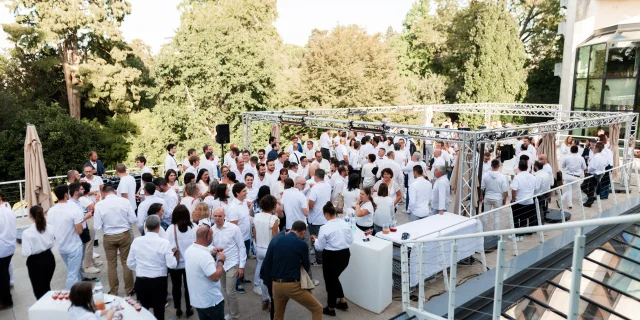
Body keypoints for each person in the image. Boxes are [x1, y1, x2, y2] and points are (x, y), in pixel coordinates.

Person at [263, 220, 323, 320]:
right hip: (292, 285)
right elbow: (306, 266)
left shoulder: (277, 239)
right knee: (317, 308)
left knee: (278, 314)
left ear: (291, 229)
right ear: (303, 232)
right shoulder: (302, 244)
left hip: (276, 284)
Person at [127, 215, 177, 320]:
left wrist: (141, 268)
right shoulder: (164, 243)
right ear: (159, 227)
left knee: (143, 310)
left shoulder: (137, 241)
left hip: (141, 280)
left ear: (145, 226)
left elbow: (130, 263)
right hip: (158, 282)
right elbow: (172, 264)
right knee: (159, 310)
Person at [93, 185, 136, 296]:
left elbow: (97, 226)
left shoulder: (99, 205)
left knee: (111, 265)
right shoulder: (124, 201)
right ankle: (129, 289)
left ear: (103, 193)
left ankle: (114, 291)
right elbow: (133, 219)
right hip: (124, 234)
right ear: (115, 191)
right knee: (126, 262)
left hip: (109, 236)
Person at [312, 202, 353, 316]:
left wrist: (315, 240)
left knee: (330, 281)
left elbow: (319, 247)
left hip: (331, 257)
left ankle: (330, 308)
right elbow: (350, 240)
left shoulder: (324, 228)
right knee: (334, 278)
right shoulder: (345, 224)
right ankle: (342, 300)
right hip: (345, 255)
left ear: (326, 214)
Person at [48, 184, 92, 289]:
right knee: (72, 275)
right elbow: (79, 231)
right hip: (74, 246)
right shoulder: (73, 209)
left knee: (73, 271)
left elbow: (51, 229)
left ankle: (79, 291)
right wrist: (83, 219)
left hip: (61, 246)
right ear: (66, 194)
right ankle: (72, 296)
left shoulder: (51, 211)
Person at [184, 225, 226, 320]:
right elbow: (215, 277)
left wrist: (212, 253)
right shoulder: (204, 256)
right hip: (211, 302)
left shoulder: (189, 250)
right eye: (212, 235)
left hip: (198, 301)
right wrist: (221, 261)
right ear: (208, 237)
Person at [211, 207, 246, 320]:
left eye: (219, 216)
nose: (217, 218)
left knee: (230, 291)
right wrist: (213, 250)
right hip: (220, 264)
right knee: (225, 290)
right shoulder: (212, 230)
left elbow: (241, 247)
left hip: (232, 262)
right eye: (215, 216)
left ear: (224, 216)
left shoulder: (234, 228)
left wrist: (241, 266)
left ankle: (235, 315)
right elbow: (210, 246)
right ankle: (231, 312)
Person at [165, 205, 196, 318]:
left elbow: (167, 246)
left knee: (176, 286)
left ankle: (178, 308)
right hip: (190, 263)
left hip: (176, 264)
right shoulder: (193, 228)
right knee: (189, 287)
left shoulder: (170, 229)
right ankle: (189, 307)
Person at [21, 205, 55, 300]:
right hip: (49, 258)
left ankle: (44, 310)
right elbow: (52, 244)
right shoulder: (50, 228)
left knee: (39, 291)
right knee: (46, 286)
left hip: (35, 262)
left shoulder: (27, 233)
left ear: (30, 216)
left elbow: (26, 252)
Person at [253, 195, 280, 310]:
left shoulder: (257, 216)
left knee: (261, 273)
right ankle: (271, 299)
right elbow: (275, 238)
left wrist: (257, 244)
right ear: (273, 206)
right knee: (272, 276)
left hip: (259, 247)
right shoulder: (274, 219)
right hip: (270, 249)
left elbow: (254, 234)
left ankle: (265, 298)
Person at [227, 183, 253, 294]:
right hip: (239, 239)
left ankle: (241, 277)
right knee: (237, 261)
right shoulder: (233, 207)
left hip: (246, 237)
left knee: (244, 258)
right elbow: (234, 226)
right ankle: (236, 283)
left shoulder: (243, 203)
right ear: (237, 193)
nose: (246, 192)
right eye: (244, 191)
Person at [307, 169, 331, 266]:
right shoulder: (328, 186)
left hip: (315, 218)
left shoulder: (315, 188)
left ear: (316, 176)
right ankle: (324, 258)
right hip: (325, 217)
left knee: (316, 239)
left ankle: (319, 260)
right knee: (324, 239)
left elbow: (311, 204)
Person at [510, 160, 537, 240]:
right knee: (524, 218)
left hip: (519, 201)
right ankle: (521, 234)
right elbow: (535, 188)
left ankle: (517, 234)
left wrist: (513, 199)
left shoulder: (517, 177)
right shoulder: (532, 176)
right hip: (529, 201)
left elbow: (514, 189)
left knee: (516, 218)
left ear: (519, 167)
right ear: (527, 167)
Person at [480, 159, 508, 231]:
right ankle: (496, 233)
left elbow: (482, 188)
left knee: (485, 215)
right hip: (498, 198)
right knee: (497, 216)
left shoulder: (486, 175)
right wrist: (504, 199)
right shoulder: (502, 176)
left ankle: (483, 231)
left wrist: (481, 196)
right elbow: (504, 190)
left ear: (491, 165)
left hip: (487, 197)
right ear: (499, 166)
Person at [0, 191, 16, 308]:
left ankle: (6, 301)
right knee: (4, 273)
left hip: (2, 248)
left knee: (2, 276)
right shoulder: (8, 209)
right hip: (10, 246)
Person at [561, 145, 587, 209]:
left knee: (569, 190)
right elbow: (584, 168)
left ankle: (568, 203)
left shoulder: (567, 157)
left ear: (570, 150)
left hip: (567, 175)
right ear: (577, 151)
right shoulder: (581, 158)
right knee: (574, 190)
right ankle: (563, 200)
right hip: (576, 176)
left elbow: (563, 166)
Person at [584, 142, 609, 207]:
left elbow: (592, 167)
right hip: (599, 173)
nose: (593, 149)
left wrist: (587, 170)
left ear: (597, 149)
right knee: (592, 188)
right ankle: (590, 200)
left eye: (594, 148)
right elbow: (606, 164)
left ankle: (590, 199)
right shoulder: (603, 157)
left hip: (593, 174)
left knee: (587, 187)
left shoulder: (596, 157)